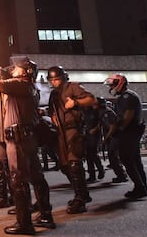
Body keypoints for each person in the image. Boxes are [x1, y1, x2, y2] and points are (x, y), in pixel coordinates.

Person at [0, 56, 55, 235]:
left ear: (25, 71)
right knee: (36, 176)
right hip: (27, 137)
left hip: (17, 138)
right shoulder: (29, 87)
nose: (13, 69)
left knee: (18, 179)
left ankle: (24, 223)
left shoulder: (19, 83)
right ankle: (46, 215)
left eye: (16, 67)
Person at [47, 65, 95, 214]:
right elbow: (52, 111)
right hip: (61, 132)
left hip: (73, 129)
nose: (55, 82)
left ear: (63, 77)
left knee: (74, 163)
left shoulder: (73, 87)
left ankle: (80, 199)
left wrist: (75, 103)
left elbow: (91, 99)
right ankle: (83, 194)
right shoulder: (53, 94)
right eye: (52, 80)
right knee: (65, 165)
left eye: (57, 79)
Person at [104, 73, 147, 199]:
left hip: (130, 132)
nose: (111, 88)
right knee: (135, 161)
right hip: (132, 131)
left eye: (112, 85)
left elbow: (128, 116)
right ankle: (142, 187)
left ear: (119, 83)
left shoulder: (126, 97)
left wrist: (119, 129)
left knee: (127, 159)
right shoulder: (126, 96)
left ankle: (140, 187)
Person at [96, 97, 128, 183]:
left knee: (113, 155)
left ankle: (122, 175)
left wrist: (106, 138)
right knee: (112, 156)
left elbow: (112, 127)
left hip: (116, 136)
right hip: (112, 136)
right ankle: (121, 175)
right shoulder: (102, 112)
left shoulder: (107, 112)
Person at [82, 102, 105, 183]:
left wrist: (95, 129)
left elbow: (101, 122)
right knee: (88, 155)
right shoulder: (83, 112)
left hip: (95, 135)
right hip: (87, 135)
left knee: (93, 154)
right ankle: (92, 175)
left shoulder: (95, 111)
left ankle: (100, 170)